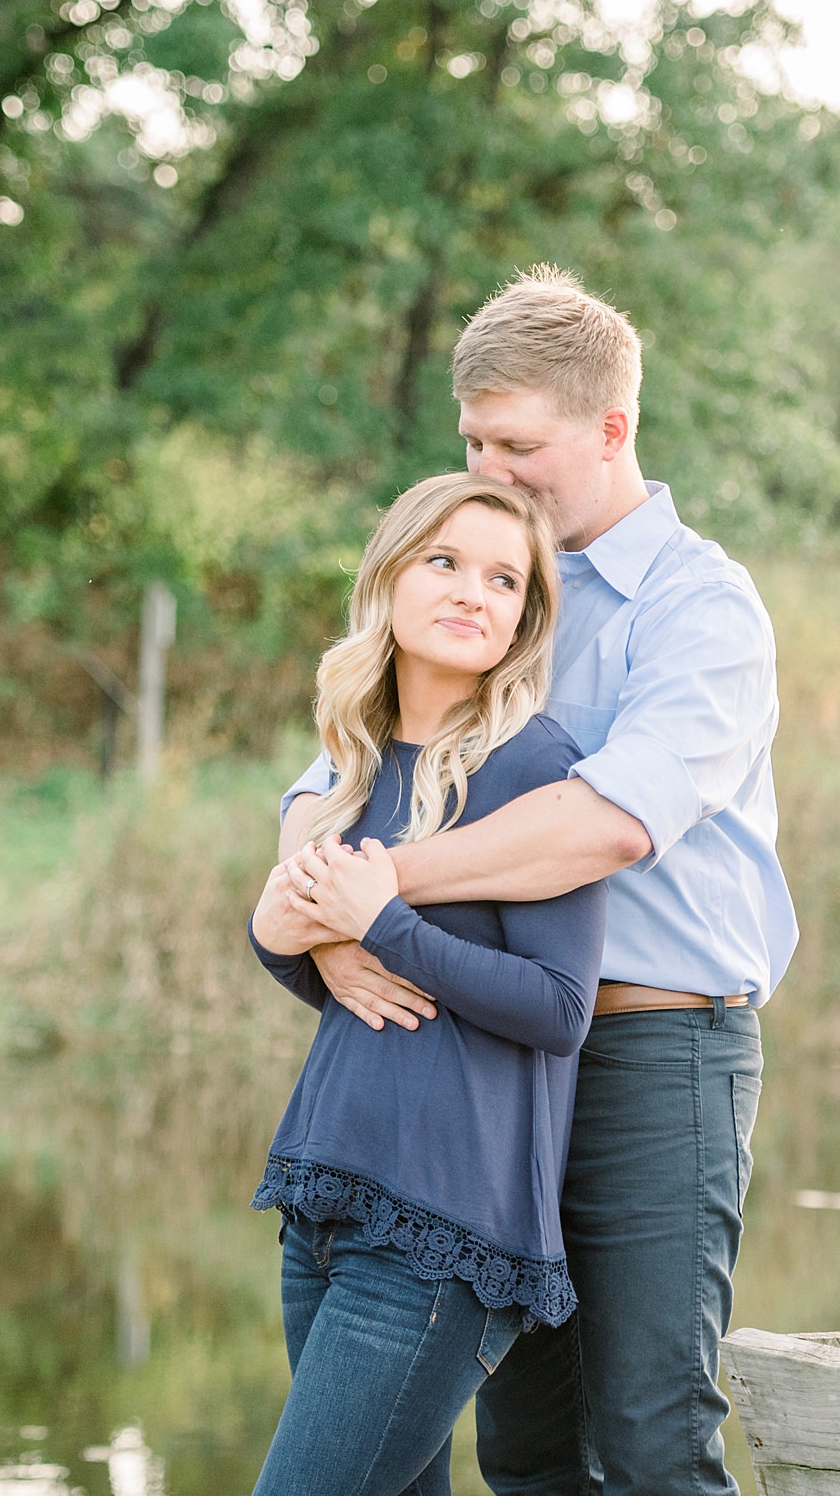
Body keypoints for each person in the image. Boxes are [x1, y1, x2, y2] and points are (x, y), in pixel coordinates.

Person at [277, 266, 792, 1496]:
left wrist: (377, 892)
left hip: (655, 1053)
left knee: (651, 1439)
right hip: (486, 1057)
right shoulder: (487, 581)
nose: (493, 471)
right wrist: (327, 913)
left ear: (612, 430)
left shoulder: (699, 608)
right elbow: (329, 774)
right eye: (473, 442)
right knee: (524, 1447)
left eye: (521, 445)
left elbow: (604, 826)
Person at [246, 472, 610, 1496]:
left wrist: (389, 925)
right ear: (390, 577)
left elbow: (558, 1008)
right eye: (445, 562)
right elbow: (334, 960)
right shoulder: (352, 763)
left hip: (442, 1233)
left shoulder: (539, 768)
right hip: (326, 1197)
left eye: (504, 580)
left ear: (523, 620)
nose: (473, 593)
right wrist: (280, 939)